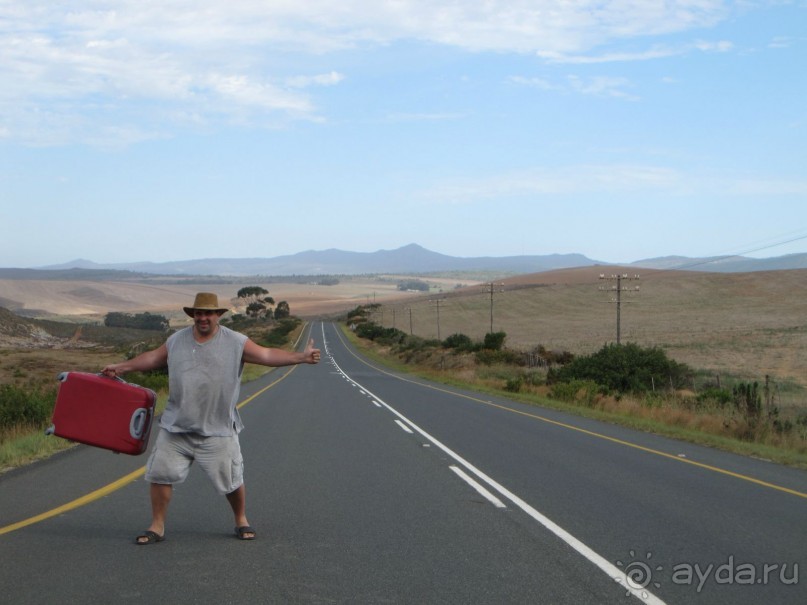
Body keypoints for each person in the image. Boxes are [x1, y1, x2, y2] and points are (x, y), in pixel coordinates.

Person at [101, 292, 321, 545]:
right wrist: (121, 366)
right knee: (160, 474)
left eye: (208, 313)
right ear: (192, 315)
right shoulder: (177, 340)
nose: (202, 318)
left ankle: (241, 519)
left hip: (218, 429)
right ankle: (157, 525)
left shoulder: (235, 342)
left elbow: (267, 355)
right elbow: (152, 357)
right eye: (198, 313)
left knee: (232, 480)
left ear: (218, 316)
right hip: (177, 427)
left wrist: (301, 357)